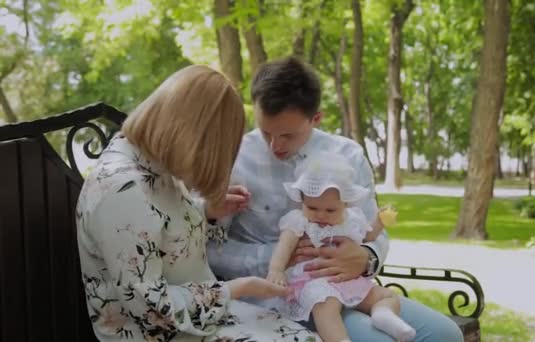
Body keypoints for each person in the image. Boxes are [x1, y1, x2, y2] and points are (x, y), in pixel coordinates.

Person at [207, 56, 463, 342]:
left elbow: (374, 234)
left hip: (349, 285)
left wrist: (366, 257)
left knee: (446, 334)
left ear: (316, 118)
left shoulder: (348, 155)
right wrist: (276, 259)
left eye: (287, 135)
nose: (275, 145)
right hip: (278, 298)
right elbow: (208, 249)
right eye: (266, 132)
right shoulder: (234, 158)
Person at [76, 65, 319, 341]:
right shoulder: (123, 189)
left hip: (202, 319)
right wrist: (235, 289)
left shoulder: (154, 166)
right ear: (191, 139)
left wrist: (206, 212)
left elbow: (163, 235)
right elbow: (151, 312)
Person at [266, 153, 417, 342]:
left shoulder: (351, 219)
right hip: (314, 281)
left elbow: (367, 238)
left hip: (347, 279)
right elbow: (284, 246)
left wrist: (379, 222)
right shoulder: (299, 221)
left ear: (345, 204)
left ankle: (384, 315)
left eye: (330, 210)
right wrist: (276, 270)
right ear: (302, 202)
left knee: (386, 295)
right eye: (312, 208)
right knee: (326, 306)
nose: (320, 215)